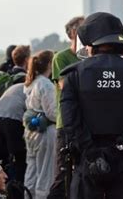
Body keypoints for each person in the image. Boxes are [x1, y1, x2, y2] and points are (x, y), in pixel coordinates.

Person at [60, 12, 123, 198]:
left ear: (90, 44)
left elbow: (69, 119)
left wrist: (89, 149)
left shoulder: (75, 74)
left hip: (86, 159)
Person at [48, 16, 84, 199]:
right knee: (62, 173)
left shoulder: (90, 58)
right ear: (73, 34)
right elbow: (66, 86)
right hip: (67, 122)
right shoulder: (61, 58)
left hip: (87, 122)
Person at [22, 50, 56, 199]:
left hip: (30, 130)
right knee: (45, 172)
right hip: (44, 131)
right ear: (50, 64)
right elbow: (52, 113)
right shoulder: (46, 85)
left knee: (32, 169)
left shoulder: (31, 82)